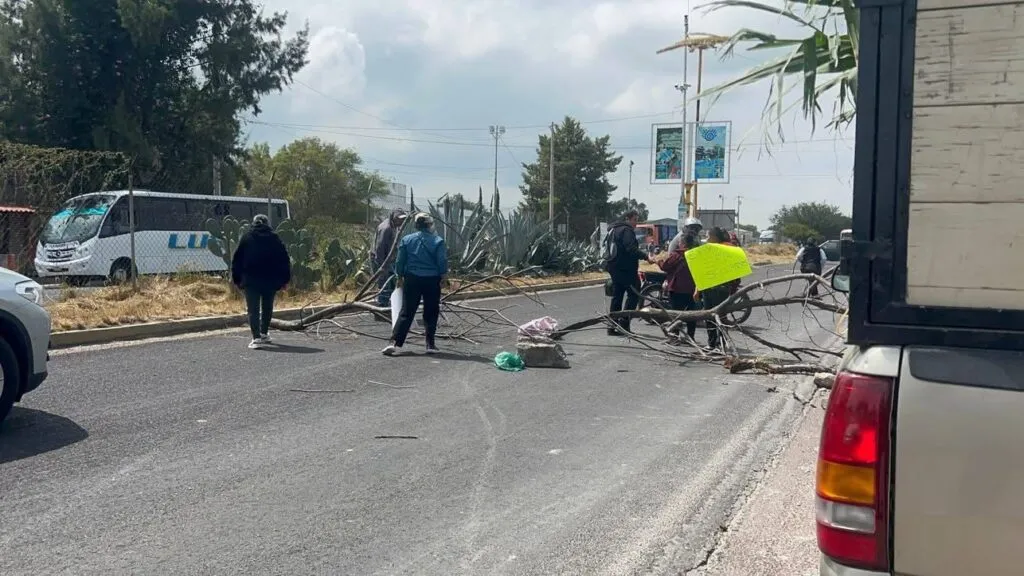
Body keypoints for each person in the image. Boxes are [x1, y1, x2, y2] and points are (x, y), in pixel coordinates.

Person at [382, 212, 448, 356]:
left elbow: (400, 261)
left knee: (406, 311)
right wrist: (443, 276)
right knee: (431, 311)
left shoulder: (407, 239)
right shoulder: (438, 241)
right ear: (429, 225)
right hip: (432, 280)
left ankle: (394, 343)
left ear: (416, 225)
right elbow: (441, 261)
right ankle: (430, 344)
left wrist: (399, 276)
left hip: (412, 279)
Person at [231, 214, 291, 350]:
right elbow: (284, 260)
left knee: (253, 309)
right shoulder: (275, 239)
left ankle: (256, 338)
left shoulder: (247, 238)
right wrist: (284, 280)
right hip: (270, 280)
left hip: (251, 280)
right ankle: (264, 333)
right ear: (267, 223)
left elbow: (237, 260)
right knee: (267, 307)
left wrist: (237, 279)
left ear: (254, 223)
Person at [604, 209, 652, 335]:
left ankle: (612, 326)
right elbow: (631, 248)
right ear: (627, 219)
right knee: (634, 294)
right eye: (634, 220)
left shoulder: (614, 229)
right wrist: (646, 257)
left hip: (614, 267)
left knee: (617, 296)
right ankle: (624, 324)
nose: (636, 223)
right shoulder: (626, 230)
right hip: (626, 269)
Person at [694, 227, 735, 350]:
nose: (706, 239)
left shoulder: (727, 250)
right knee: (709, 316)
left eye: (708, 236)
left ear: (715, 237)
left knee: (720, 317)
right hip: (708, 289)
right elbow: (702, 271)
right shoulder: (707, 250)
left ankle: (722, 343)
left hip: (721, 289)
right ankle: (712, 344)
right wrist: (697, 289)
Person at [659, 232, 700, 340]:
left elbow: (665, 266)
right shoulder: (696, 255)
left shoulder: (676, 255)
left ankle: (675, 337)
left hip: (676, 289)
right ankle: (690, 337)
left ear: (682, 243)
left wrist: (658, 261)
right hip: (691, 289)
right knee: (691, 315)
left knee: (675, 314)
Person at [372, 209, 408, 306]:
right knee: (384, 285)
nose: (401, 221)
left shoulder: (394, 226)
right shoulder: (386, 228)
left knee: (391, 284)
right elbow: (380, 248)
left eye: (402, 219)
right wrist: (382, 266)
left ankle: (387, 305)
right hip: (383, 261)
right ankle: (382, 307)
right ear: (393, 217)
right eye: (399, 219)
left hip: (389, 261)